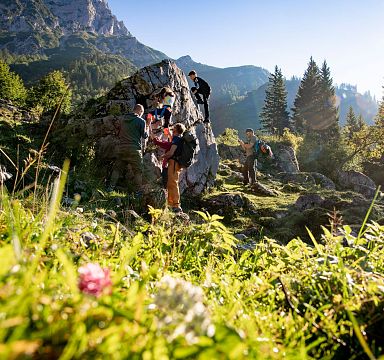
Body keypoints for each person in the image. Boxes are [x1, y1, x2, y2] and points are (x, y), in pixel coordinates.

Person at [109, 104, 148, 192]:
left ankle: (110, 188)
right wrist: (148, 126)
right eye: (142, 112)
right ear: (140, 111)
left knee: (117, 169)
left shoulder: (122, 119)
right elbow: (144, 136)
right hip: (134, 149)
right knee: (138, 171)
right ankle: (138, 192)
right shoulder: (141, 121)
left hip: (122, 148)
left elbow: (118, 131)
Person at [162, 123, 186, 213]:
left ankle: (176, 205)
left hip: (174, 163)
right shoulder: (178, 138)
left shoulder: (177, 139)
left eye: (174, 128)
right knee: (171, 182)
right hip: (176, 163)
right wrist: (168, 134)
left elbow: (171, 152)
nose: (172, 129)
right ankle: (171, 203)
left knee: (173, 183)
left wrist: (163, 157)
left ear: (176, 129)